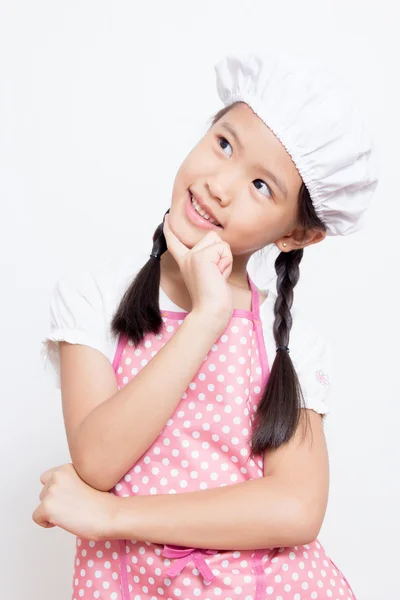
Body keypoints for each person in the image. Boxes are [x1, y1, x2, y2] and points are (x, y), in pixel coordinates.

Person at [33, 49, 378, 600]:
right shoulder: (93, 297)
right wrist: (207, 316)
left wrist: (112, 516)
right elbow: (97, 460)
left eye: (262, 186)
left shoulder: (287, 345)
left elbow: (293, 508)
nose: (220, 185)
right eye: (224, 144)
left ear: (295, 236)